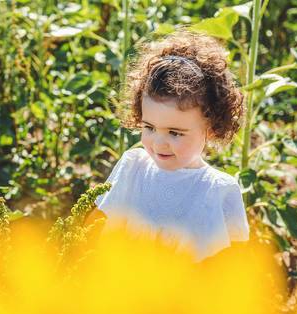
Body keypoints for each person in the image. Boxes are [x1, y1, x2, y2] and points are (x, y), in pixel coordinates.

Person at [87, 31, 250, 262]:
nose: (158, 143)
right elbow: (97, 228)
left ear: (211, 127)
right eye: (149, 127)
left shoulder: (219, 190)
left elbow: (232, 265)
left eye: (175, 133)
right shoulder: (134, 167)